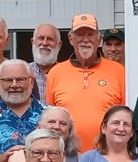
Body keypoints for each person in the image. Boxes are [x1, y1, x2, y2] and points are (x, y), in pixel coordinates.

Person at [46, 13, 126, 151]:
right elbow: (50, 119)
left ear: (99, 39)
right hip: (66, 154)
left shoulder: (119, 71)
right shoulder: (55, 72)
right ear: (71, 39)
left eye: (90, 34)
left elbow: (126, 115)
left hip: (107, 153)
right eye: (80, 34)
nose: (85, 40)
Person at [1, 106, 81, 162]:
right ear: (39, 127)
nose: (57, 127)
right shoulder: (20, 156)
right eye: (51, 122)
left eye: (63, 123)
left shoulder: (79, 158)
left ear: (69, 131)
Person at [28, 23, 61, 103]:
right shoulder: (24, 72)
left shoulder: (67, 73)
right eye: (41, 38)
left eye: (50, 39)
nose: (45, 43)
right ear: (33, 42)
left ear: (59, 45)